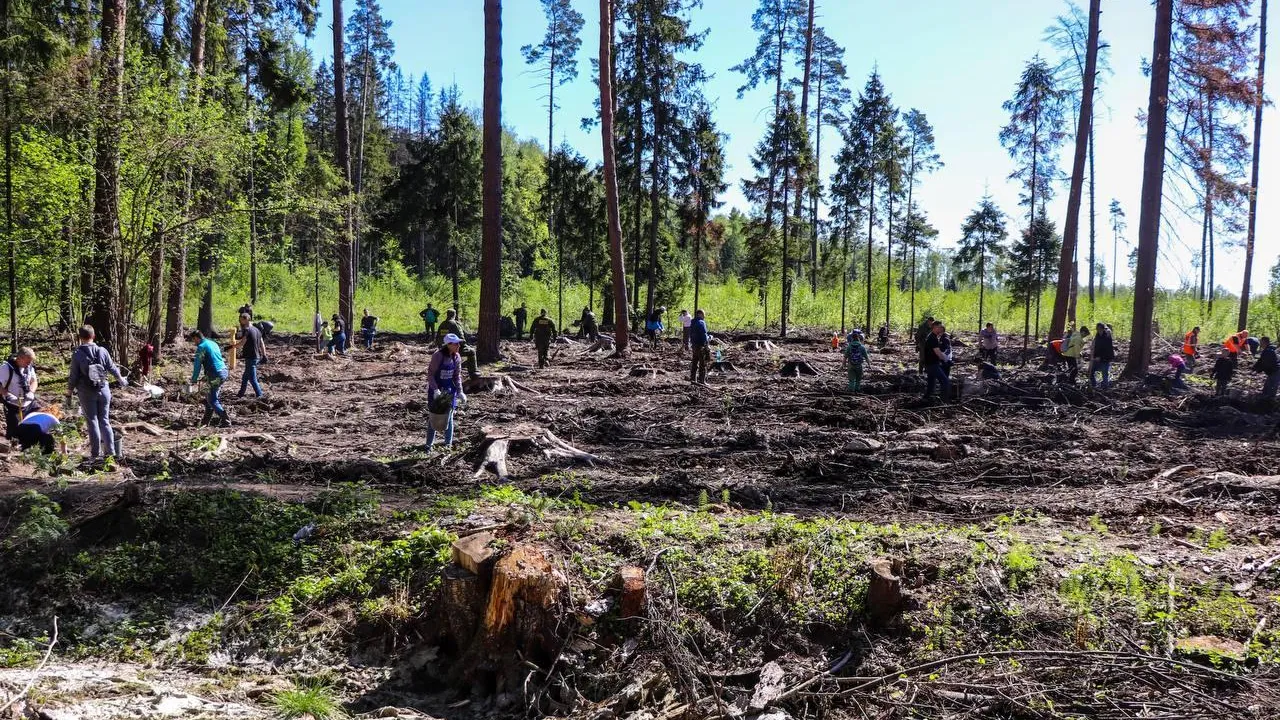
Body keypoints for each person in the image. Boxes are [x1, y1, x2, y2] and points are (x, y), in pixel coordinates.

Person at [67, 325, 127, 459]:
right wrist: (120, 379)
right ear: (93, 336)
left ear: (80, 338)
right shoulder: (102, 351)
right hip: (104, 389)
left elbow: (73, 376)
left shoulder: (78, 354)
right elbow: (112, 367)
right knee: (105, 421)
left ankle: (95, 455)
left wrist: (69, 393)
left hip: (86, 392)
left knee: (92, 421)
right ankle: (111, 453)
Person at [426, 334, 468, 449]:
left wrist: (460, 391)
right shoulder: (438, 356)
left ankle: (447, 446)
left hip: (449, 391)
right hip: (436, 391)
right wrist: (435, 389)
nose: (458, 345)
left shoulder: (457, 357)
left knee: (449, 418)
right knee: (433, 418)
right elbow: (430, 374)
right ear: (448, 345)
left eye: (458, 343)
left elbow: (456, 376)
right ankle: (428, 446)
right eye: (455, 343)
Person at [189, 329, 231, 427]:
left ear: (196, 338)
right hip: (223, 371)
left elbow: (197, 365)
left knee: (212, 399)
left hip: (215, 374)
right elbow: (215, 358)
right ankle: (205, 421)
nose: (194, 343)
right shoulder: (213, 343)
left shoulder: (201, 347)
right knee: (210, 397)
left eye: (194, 340)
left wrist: (194, 379)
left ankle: (226, 420)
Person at [1, 347, 37, 440]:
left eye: (30, 362)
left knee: (36, 424)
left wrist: (31, 392)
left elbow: (34, 381)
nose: (29, 364)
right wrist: (8, 395)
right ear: (19, 358)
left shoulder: (29, 367)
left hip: (28, 403)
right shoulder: (6, 368)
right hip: (13, 405)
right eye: (27, 362)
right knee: (14, 433)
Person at [235, 312, 267, 398]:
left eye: (241, 320)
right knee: (245, 377)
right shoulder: (257, 330)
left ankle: (260, 395)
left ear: (246, 319)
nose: (240, 322)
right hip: (256, 356)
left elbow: (242, 343)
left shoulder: (247, 330)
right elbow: (262, 344)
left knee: (253, 379)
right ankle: (240, 394)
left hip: (251, 357)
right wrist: (264, 355)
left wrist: (232, 346)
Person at [922, 321, 952, 402]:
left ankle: (926, 399)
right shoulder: (933, 338)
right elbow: (938, 353)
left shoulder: (932, 336)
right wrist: (946, 360)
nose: (941, 329)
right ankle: (944, 402)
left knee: (931, 384)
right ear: (935, 327)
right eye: (939, 327)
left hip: (930, 364)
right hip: (932, 365)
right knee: (945, 382)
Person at [1089, 323, 1115, 389]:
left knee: (1104, 374)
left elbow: (1107, 350)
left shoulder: (1107, 337)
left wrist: (1101, 357)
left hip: (1105, 359)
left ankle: (1105, 388)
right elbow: (1095, 347)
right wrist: (1093, 357)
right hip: (1096, 358)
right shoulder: (1097, 336)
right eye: (1097, 329)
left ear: (1103, 329)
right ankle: (1094, 385)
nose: (1098, 331)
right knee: (1091, 372)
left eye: (1100, 329)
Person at [1253, 336, 1279, 402]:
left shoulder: (1269, 351)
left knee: (1271, 388)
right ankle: (1263, 399)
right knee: (1267, 387)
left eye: (1260, 342)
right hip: (1272, 371)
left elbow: (1266, 364)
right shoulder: (1267, 350)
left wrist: (1258, 370)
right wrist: (1254, 368)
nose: (1259, 343)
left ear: (1264, 342)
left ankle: (1269, 403)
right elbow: (1261, 361)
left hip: (1275, 371)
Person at [689, 309, 711, 384]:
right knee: (703, 363)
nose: (704, 316)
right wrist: (707, 342)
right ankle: (702, 380)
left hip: (694, 345)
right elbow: (704, 334)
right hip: (700, 346)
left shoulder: (692, 322)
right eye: (703, 314)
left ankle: (693, 379)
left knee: (694, 362)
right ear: (700, 314)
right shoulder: (701, 322)